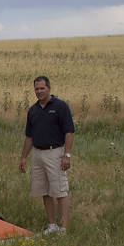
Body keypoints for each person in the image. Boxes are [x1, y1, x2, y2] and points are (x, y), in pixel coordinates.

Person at [19, 76, 75, 235]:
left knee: (59, 191)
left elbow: (69, 132)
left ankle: (63, 229)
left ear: (49, 88)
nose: (39, 91)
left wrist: (67, 155)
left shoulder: (60, 106)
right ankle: (52, 225)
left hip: (55, 153)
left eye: (42, 88)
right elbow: (29, 136)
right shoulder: (33, 110)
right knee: (44, 190)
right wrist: (24, 157)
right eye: (36, 89)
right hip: (37, 154)